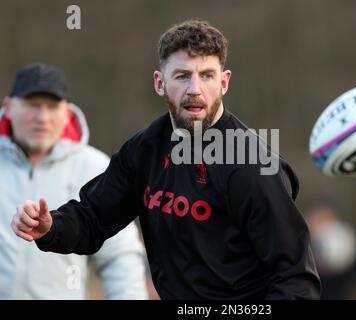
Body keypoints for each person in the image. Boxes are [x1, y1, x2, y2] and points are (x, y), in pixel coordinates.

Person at [11, 21, 321, 299]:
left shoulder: (252, 164)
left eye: (207, 76)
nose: (194, 89)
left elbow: (296, 278)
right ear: (160, 83)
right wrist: (51, 227)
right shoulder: (145, 150)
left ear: (224, 82)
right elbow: (93, 219)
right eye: (183, 76)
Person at [1, 63, 148, 299]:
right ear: (8, 107)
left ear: (67, 112)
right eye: (32, 105)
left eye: (52, 106)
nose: (42, 117)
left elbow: (120, 256)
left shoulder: (95, 167)